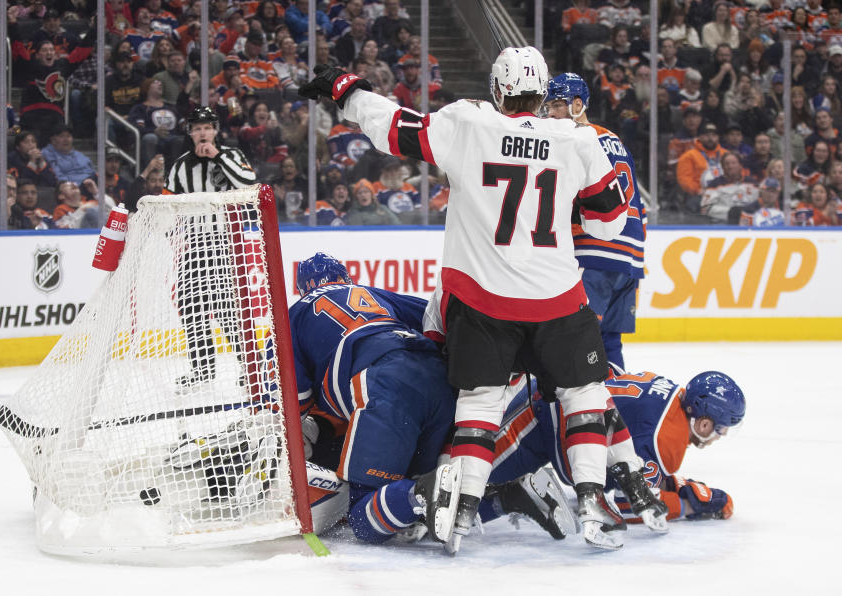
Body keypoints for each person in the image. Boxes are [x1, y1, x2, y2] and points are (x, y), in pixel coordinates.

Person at [298, 46, 632, 552]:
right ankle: (592, 497)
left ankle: (463, 510)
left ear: (498, 90)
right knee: (582, 394)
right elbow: (612, 219)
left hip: (485, 302)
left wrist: (347, 91)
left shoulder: (469, 124)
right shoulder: (577, 139)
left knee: (480, 402)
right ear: (543, 95)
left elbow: (395, 128)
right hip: (558, 298)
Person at [289, 253, 461, 545]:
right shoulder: (371, 293)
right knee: (413, 495)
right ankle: (499, 497)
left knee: (362, 518)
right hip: (437, 378)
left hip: (384, 384)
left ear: (304, 286)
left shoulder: (295, 314)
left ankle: (420, 492)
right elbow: (438, 318)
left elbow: (296, 404)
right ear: (345, 277)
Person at [486, 369, 745, 527]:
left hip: (555, 410)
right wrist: (690, 506)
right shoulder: (669, 439)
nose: (719, 436)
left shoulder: (673, 392)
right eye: (720, 429)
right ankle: (512, 498)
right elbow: (631, 505)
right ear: (703, 423)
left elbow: (637, 465)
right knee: (464, 489)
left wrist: (678, 488)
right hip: (542, 420)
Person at [545, 73, 644, 372]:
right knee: (609, 341)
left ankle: (575, 413)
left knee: (575, 339)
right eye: (547, 106)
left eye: (557, 105)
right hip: (630, 258)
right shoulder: (612, 138)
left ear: (578, 104)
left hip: (596, 250)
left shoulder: (576, 141)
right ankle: (616, 400)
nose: (550, 113)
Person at [163, 106, 257, 388]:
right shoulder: (180, 165)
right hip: (195, 243)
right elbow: (167, 202)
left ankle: (249, 367)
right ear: (190, 133)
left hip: (226, 242)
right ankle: (203, 370)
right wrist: (170, 232)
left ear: (215, 131)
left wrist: (218, 157)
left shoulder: (232, 156)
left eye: (207, 127)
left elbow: (249, 185)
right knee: (189, 302)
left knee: (225, 305)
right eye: (197, 128)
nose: (202, 133)